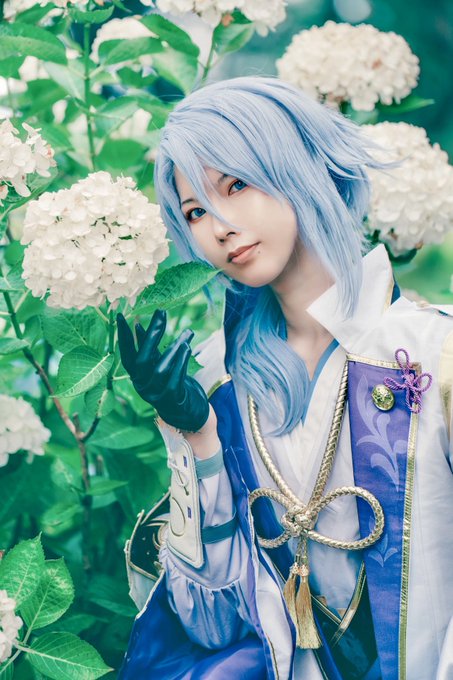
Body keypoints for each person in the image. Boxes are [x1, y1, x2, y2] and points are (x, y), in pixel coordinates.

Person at [116, 77, 453, 680]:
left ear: (295, 164)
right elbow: (211, 627)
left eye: (235, 185)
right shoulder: (219, 383)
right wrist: (196, 435)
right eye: (195, 212)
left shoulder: (433, 353)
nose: (219, 226)